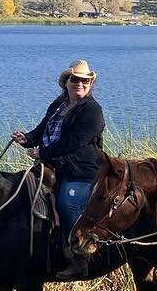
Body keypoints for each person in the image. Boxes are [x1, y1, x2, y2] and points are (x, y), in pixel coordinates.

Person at [13, 59, 104, 279]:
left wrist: (42, 153)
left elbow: (73, 142)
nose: (79, 84)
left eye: (84, 80)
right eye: (75, 79)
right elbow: (42, 129)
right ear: (66, 82)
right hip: (53, 165)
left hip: (80, 170)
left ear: (90, 84)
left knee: (67, 202)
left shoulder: (92, 111)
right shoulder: (58, 104)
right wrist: (27, 139)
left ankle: (79, 258)